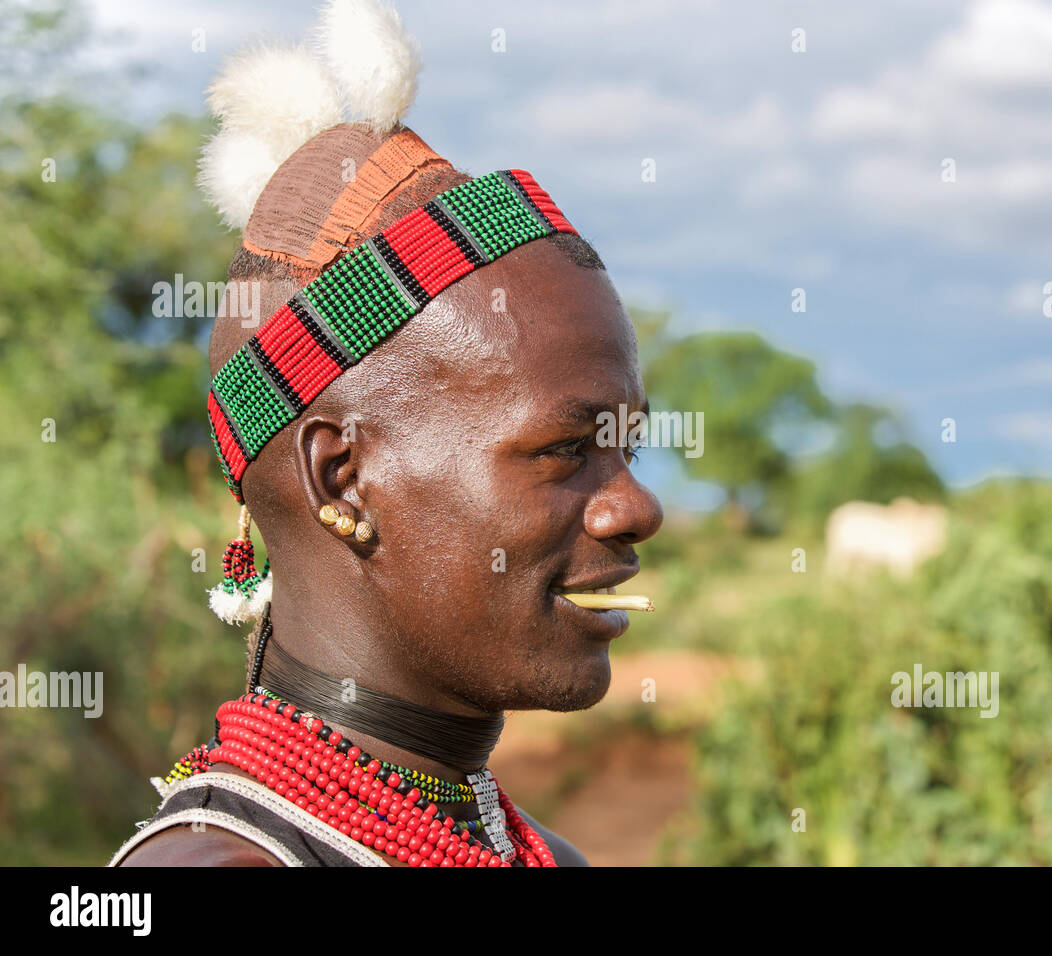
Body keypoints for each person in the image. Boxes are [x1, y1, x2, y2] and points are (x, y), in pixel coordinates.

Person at [110, 0, 662, 868]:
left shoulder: (543, 857)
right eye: (565, 450)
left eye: (628, 449)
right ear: (342, 477)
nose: (634, 508)